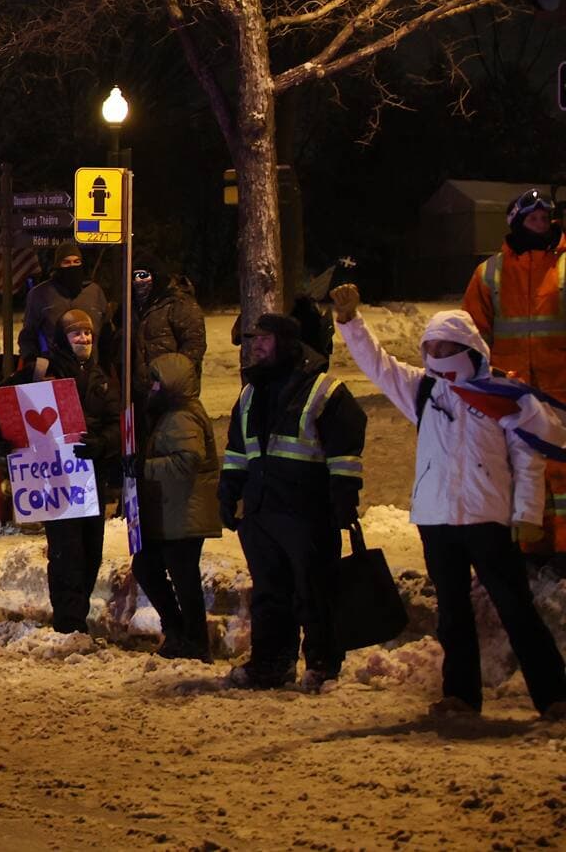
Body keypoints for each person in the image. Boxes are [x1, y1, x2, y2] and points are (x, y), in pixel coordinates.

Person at [334, 287, 566, 718]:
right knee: (453, 614)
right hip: (437, 521)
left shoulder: (504, 395)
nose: (435, 355)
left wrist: (527, 514)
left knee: (516, 609)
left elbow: (529, 459)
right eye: (429, 347)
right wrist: (350, 322)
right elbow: (379, 365)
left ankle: (554, 696)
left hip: (488, 520)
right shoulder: (423, 392)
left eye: (443, 347)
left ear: (467, 346)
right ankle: (460, 697)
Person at [219, 312, 367, 691]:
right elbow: (238, 451)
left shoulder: (325, 390)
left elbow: (345, 451)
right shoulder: (251, 393)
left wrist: (343, 498)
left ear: (287, 342)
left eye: (265, 339)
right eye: (254, 340)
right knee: (269, 595)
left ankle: (322, 665)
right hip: (263, 510)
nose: (257, 346)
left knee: (314, 591)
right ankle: (271, 664)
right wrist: (228, 493)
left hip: (308, 510)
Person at [463, 188, 566, 569]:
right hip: (512, 390)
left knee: (562, 470)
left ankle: (563, 548)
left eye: (545, 217)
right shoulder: (490, 273)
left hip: (561, 389)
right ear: (517, 221)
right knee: (515, 467)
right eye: (533, 217)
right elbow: (472, 332)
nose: (541, 222)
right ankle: (525, 548)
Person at [134, 353, 221, 661]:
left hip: (185, 510)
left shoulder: (181, 416)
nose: (151, 387)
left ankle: (194, 641)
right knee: (149, 567)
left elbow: (188, 461)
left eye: (156, 380)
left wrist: (145, 467)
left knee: (182, 578)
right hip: (173, 510)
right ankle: (179, 632)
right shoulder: (170, 412)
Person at [41, 310, 122, 635]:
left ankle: (76, 614)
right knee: (66, 551)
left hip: (91, 475)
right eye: (76, 334)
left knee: (91, 549)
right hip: (57, 476)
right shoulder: (46, 372)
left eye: (88, 334)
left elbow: (117, 422)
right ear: (64, 339)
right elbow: (18, 413)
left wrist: (102, 444)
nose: (84, 339)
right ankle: (68, 621)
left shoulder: (102, 376)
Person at [21, 242, 109, 379]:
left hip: (91, 374)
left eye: (76, 261)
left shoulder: (95, 292)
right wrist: (32, 362)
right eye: (66, 262)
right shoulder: (40, 294)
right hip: (56, 373)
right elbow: (28, 335)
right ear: (57, 266)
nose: (72, 266)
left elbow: (106, 332)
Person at [130, 253, 206, 403]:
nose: (138, 281)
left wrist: (171, 379)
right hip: (142, 392)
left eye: (143, 275)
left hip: (173, 392)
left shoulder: (179, 303)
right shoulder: (130, 307)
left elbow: (194, 344)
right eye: (134, 276)